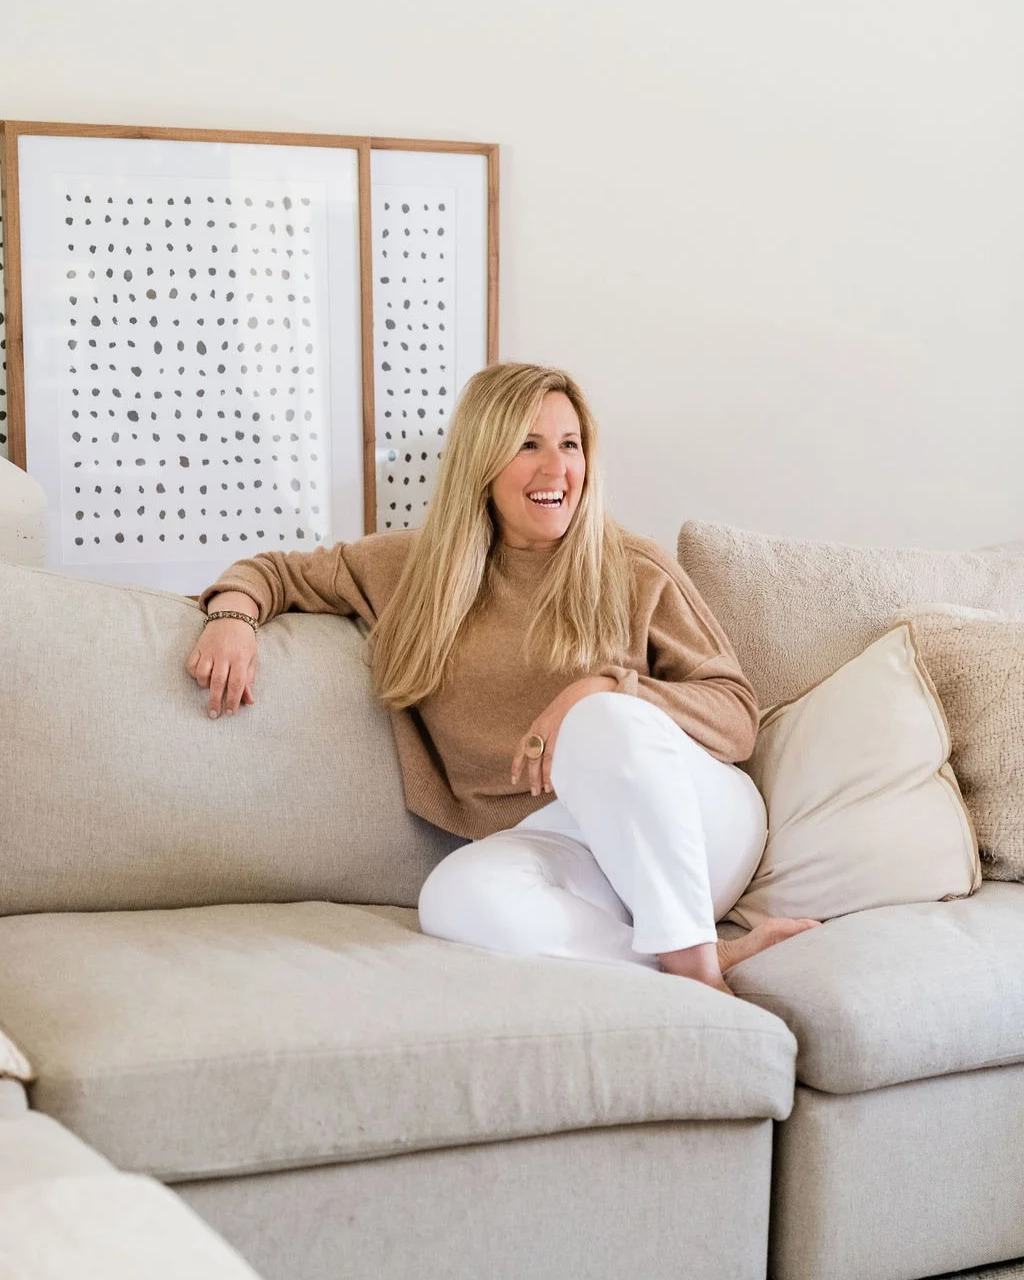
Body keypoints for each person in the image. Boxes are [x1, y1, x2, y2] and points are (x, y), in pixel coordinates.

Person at [188, 362, 818, 993]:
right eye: (528, 444)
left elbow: (736, 717)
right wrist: (232, 617)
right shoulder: (412, 570)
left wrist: (602, 689)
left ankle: (697, 979)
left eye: (570, 445)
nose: (556, 470)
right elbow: (276, 572)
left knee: (598, 720)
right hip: (569, 847)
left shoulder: (633, 568)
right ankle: (697, 960)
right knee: (454, 896)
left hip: (696, 831)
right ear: (481, 460)